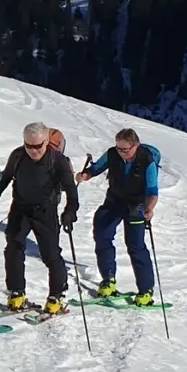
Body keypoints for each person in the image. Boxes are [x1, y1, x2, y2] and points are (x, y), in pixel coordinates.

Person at [0, 121, 78, 315]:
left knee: (50, 254)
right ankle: (16, 293)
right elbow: (5, 178)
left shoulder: (58, 160)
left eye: (37, 146)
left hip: (45, 211)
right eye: (28, 145)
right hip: (20, 208)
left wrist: (70, 211)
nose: (33, 150)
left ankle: (56, 296)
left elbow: (71, 190)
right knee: (13, 249)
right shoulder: (18, 155)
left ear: (46, 142)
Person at [76, 127, 162, 305]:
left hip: (136, 204)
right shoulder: (112, 154)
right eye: (119, 148)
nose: (121, 153)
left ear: (136, 146)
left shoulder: (147, 161)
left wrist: (149, 208)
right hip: (115, 200)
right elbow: (96, 168)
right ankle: (108, 280)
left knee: (135, 244)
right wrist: (85, 175)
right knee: (102, 233)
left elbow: (152, 191)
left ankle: (146, 290)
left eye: (125, 149)